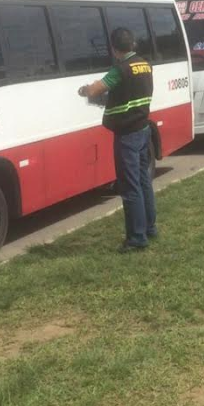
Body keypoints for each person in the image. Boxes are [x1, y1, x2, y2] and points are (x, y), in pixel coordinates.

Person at [78, 27, 156, 252]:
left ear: (114, 49)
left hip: (128, 135)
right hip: (143, 129)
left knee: (130, 186)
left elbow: (97, 89)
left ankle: (136, 238)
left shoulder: (120, 69)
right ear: (132, 44)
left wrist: (85, 90)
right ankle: (150, 227)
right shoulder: (144, 64)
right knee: (143, 182)